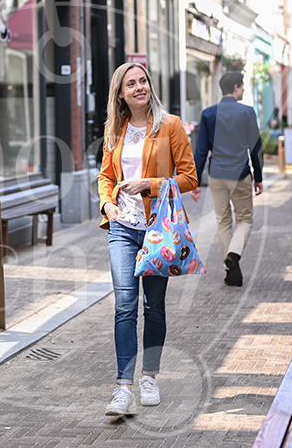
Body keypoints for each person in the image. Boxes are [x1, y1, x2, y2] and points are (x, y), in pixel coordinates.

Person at [97, 62, 198, 416]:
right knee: (125, 304)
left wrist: (150, 185)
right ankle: (123, 387)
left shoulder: (170, 126)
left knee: (153, 306)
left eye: (143, 81)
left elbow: (189, 177)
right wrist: (107, 203)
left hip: (158, 229)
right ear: (121, 93)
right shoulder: (116, 128)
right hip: (123, 227)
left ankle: (149, 377)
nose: (139, 87)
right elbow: (106, 176)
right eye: (131, 84)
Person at [190, 71, 263, 287]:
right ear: (237, 87)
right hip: (240, 175)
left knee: (223, 223)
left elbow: (201, 150)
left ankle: (230, 271)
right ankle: (234, 254)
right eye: (243, 87)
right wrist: (258, 177)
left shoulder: (208, 114)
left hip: (216, 176)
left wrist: (194, 182)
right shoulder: (247, 113)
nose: (243, 90)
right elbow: (256, 148)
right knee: (245, 220)